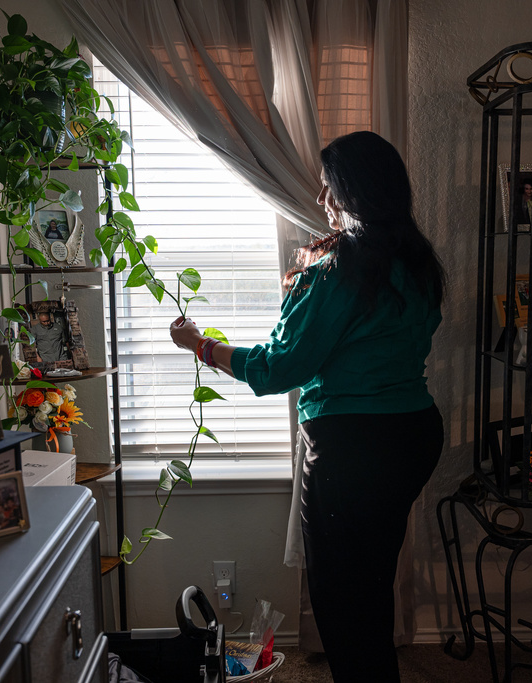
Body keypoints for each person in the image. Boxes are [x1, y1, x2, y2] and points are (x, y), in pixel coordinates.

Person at [169, 131, 445, 683]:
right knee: (370, 583)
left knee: (341, 598)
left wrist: (200, 345)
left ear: (351, 192)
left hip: (352, 450)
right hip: (413, 437)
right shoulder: (417, 262)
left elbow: (278, 368)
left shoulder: (339, 269)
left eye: (327, 190)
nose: (321, 201)